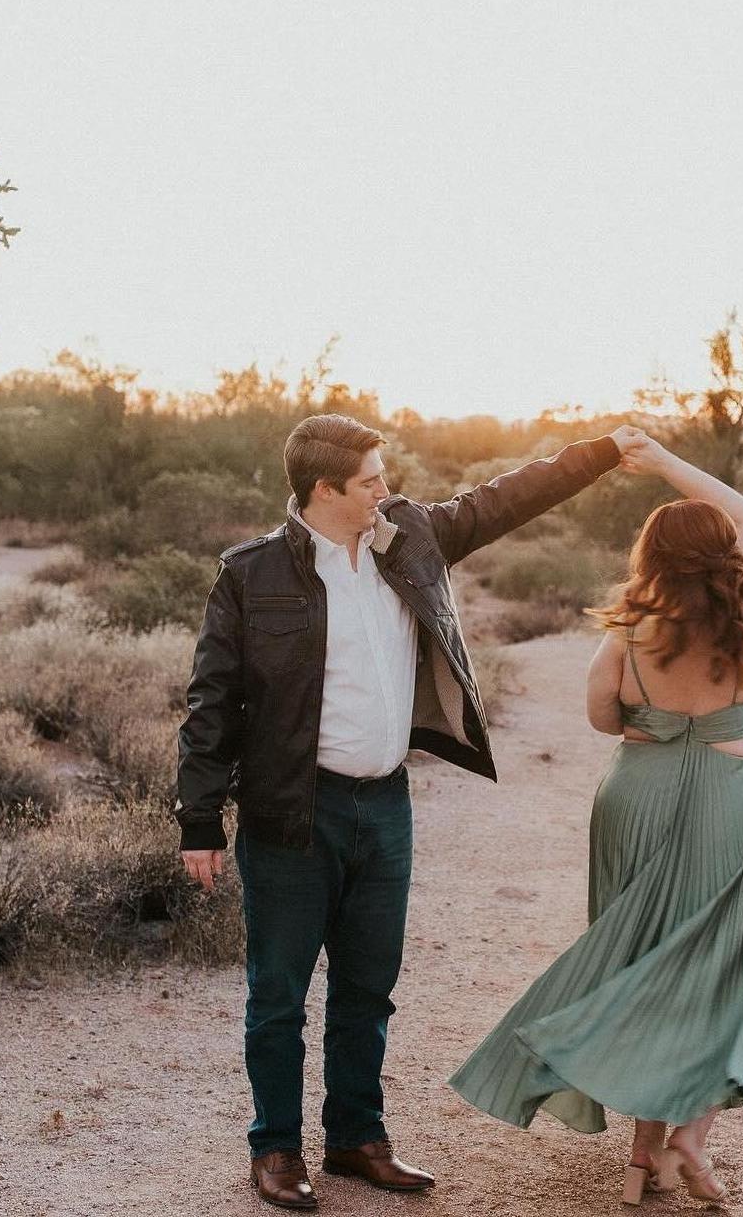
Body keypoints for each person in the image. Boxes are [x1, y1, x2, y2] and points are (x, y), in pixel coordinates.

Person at [175, 412, 645, 1211]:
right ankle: (277, 1151)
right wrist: (198, 820)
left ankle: (357, 1137)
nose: (386, 491)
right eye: (370, 481)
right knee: (279, 994)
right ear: (323, 490)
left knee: (368, 986)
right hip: (293, 812)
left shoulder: (412, 537)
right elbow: (211, 701)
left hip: (385, 804)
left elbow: (504, 499)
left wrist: (600, 454)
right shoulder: (251, 575)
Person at [448, 433, 743, 1205]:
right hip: (734, 798)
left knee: (641, 963)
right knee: (734, 966)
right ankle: (689, 1136)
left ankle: (638, 1161)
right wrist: (660, 459)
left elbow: (600, 717)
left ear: (651, 561)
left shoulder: (629, 631)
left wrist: (653, 722)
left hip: (638, 797)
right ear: (727, 558)